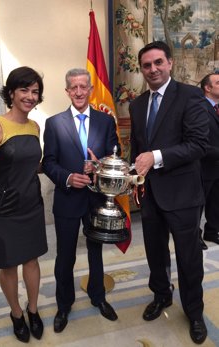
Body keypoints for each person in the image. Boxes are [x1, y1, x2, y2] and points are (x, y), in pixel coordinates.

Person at [129, 41, 209, 344]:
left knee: (189, 258)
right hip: (150, 197)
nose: (153, 69)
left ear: (170, 63)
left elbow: (199, 144)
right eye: (147, 65)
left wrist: (156, 157)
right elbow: (137, 151)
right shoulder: (137, 105)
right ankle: (161, 295)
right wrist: (125, 171)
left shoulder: (190, 96)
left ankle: (194, 311)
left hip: (184, 196)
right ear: (142, 69)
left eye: (158, 63)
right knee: (155, 253)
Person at [0, 66, 48, 343]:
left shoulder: (34, 126)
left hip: (32, 206)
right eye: (24, 90)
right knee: (9, 266)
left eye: (35, 91)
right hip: (4, 211)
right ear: (11, 92)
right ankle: (16, 313)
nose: (30, 96)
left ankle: (33, 309)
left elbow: (30, 165)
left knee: (32, 259)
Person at [42, 68, 119, 333]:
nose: (78, 92)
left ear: (90, 90)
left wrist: (100, 166)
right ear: (67, 91)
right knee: (65, 255)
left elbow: (113, 157)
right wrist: (67, 177)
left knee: (96, 252)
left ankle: (99, 297)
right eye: (73, 87)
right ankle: (64, 305)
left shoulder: (106, 121)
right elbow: (48, 162)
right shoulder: (54, 123)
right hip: (66, 199)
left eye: (83, 87)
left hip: (96, 198)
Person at [199, 73, 219, 248]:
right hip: (202, 165)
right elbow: (198, 140)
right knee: (199, 203)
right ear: (208, 87)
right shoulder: (199, 108)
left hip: (217, 165)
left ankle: (212, 231)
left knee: (216, 201)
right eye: (218, 83)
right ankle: (195, 236)